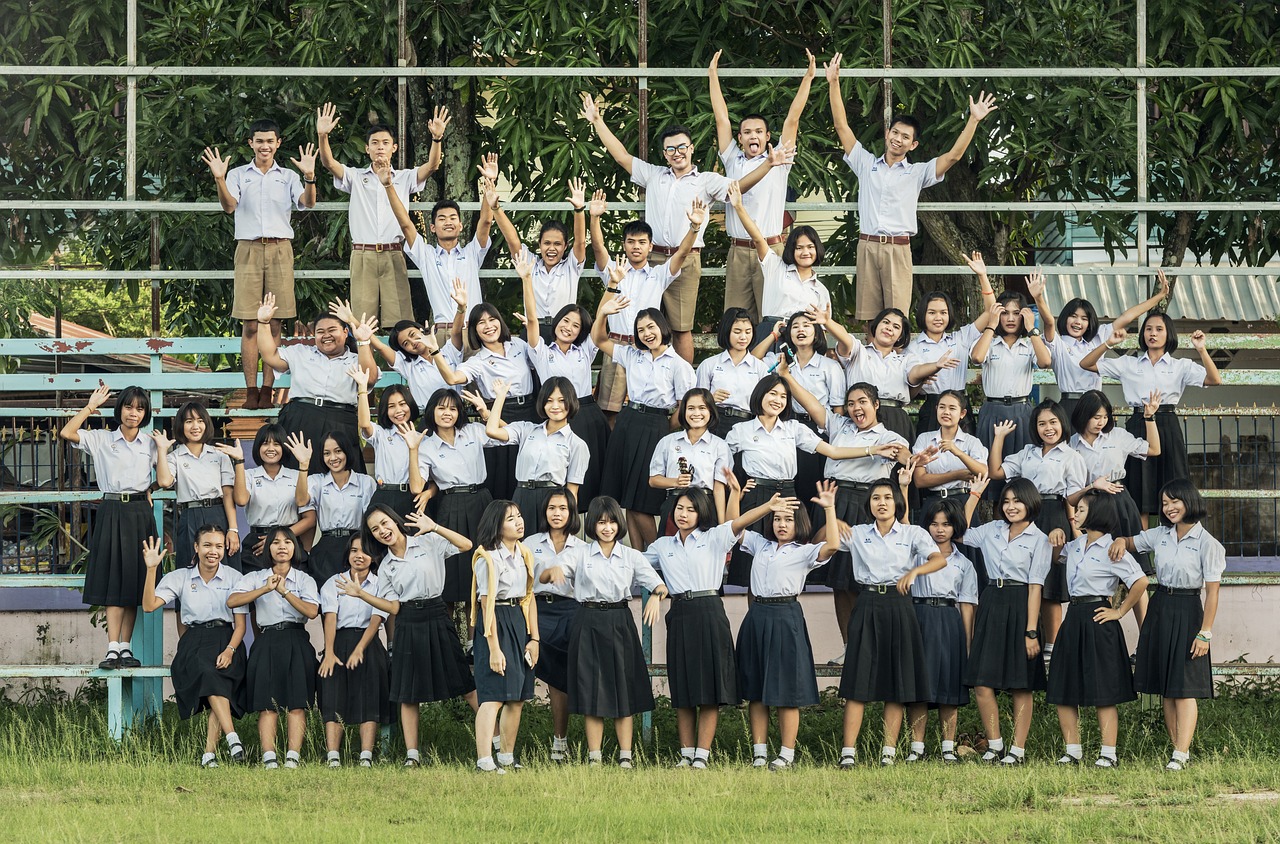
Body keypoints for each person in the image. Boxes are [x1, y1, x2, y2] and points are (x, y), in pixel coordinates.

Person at [579, 92, 793, 362]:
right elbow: (622, 156)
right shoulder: (654, 174)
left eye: (682, 147)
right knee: (641, 322)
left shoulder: (706, 180)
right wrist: (597, 121)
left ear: (691, 149)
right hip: (651, 259)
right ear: (664, 153)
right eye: (670, 149)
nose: (677, 153)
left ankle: (683, 391)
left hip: (687, 258)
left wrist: (769, 165)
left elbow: (739, 187)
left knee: (681, 329)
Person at [643, 481, 804, 768]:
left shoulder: (714, 537)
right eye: (679, 508)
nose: (684, 514)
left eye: (691, 509)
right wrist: (657, 590)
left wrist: (768, 507)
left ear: (701, 513)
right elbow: (636, 566)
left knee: (709, 688)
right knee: (682, 688)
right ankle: (685, 753)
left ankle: (701, 756)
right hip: (679, 612)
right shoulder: (662, 545)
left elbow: (739, 522)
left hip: (709, 611)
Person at [827, 53, 997, 318]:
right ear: (887, 134)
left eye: (905, 137)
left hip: (898, 248)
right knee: (869, 318)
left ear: (913, 144)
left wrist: (973, 120)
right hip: (868, 245)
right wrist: (834, 83)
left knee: (896, 318)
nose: (897, 139)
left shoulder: (918, 173)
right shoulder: (866, 163)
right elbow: (841, 126)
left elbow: (953, 156)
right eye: (894, 133)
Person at [779, 368, 911, 656]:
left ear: (876, 405)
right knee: (840, 582)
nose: (855, 408)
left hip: (867, 503)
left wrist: (910, 457)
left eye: (862, 402)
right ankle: (849, 647)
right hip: (835, 501)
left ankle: (874, 648)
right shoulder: (839, 426)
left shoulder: (889, 435)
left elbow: (905, 457)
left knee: (864, 579)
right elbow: (812, 404)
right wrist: (787, 377)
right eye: (850, 403)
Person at [339, 505, 477, 767]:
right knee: (407, 691)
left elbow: (466, 544)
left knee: (465, 684)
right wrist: (361, 594)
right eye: (375, 529)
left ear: (394, 519)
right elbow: (393, 607)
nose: (382, 531)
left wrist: (435, 526)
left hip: (437, 613)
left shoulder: (427, 539)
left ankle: (493, 741)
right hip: (407, 622)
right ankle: (412, 755)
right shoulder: (387, 565)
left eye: (384, 523)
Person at [539, 496, 669, 768]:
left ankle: (626, 756)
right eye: (601, 522)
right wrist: (551, 573)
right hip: (586, 621)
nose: (607, 528)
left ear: (619, 524)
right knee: (590, 689)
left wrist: (657, 596)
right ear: (592, 525)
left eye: (611, 522)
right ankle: (594, 757)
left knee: (623, 688)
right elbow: (547, 575)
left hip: (620, 621)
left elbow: (659, 585)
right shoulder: (580, 552)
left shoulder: (631, 556)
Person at [1109, 479, 1223, 771]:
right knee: (1167, 686)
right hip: (1160, 606)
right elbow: (1131, 541)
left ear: (1189, 502)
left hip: (1188, 611)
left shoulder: (1208, 544)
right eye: (1164, 503)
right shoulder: (1160, 534)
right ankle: (1176, 750)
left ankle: (1181, 754)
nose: (1169, 508)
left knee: (1183, 687)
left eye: (1175, 501)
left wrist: (1205, 633)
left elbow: (1212, 594)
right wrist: (1121, 541)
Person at [202, 122, 316, 408]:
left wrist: (311, 177)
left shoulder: (288, 175)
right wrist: (219, 179)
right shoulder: (239, 174)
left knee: (275, 322)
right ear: (250, 143)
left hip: (280, 248)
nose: (264, 146)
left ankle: (268, 389)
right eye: (259, 141)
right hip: (249, 248)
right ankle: (251, 389)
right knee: (250, 323)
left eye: (270, 141)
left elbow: (307, 203)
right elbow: (229, 206)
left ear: (278, 142)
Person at [835, 481, 948, 768]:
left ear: (897, 502)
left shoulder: (912, 533)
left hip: (900, 605)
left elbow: (938, 560)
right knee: (857, 678)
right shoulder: (858, 533)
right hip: (867, 603)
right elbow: (826, 539)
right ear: (869, 504)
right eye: (875, 498)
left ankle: (889, 752)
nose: (881, 503)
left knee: (897, 681)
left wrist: (916, 571)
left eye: (887, 497)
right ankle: (848, 752)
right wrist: (830, 515)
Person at [723, 374, 872, 588]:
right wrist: (737, 487)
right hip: (756, 497)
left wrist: (871, 450)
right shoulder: (741, 430)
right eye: (772, 393)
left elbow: (833, 451)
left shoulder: (793, 428)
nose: (778, 400)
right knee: (753, 567)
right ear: (760, 395)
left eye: (783, 396)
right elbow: (722, 465)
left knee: (790, 560)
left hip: (787, 497)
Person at [733, 475, 840, 769]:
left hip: (786, 616)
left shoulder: (804, 551)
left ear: (799, 523)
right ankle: (759, 753)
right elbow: (734, 525)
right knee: (756, 690)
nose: (781, 524)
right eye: (777, 518)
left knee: (785, 691)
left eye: (788, 520)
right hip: (757, 617)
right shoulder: (760, 545)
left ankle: (786, 754)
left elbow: (832, 545)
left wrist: (829, 509)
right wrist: (749, 499)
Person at [59, 385, 166, 670]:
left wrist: (151, 486)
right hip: (111, 509)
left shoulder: (151, 443)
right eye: (129, 407)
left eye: (140, 408)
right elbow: (66, 433)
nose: (134, 413)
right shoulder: (103, 439)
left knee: (133, 580)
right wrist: (91, 406)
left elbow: (167, 478)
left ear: (145, 414)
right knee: (113, 578)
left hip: (140, 512)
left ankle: (127, 647)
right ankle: (112, 648)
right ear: (119, 409)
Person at [315, 102, 451, 326]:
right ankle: (365, 363)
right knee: (361, 323)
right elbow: (329, 163)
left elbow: (432, 165)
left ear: (394, 148)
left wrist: (436, 139)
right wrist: (323, 136)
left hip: (393, 253)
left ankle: (396, 362)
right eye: (375, 143)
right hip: (362, 254)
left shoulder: (404, 177)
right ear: (366, 149)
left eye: (385, 143)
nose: (380, 147)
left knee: (400, 323)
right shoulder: (356, 177)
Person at [710, 49, 816, 325]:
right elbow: (721, 118)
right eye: (747, 132)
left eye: (759, 131)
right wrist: (712, 75)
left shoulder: (779, 158)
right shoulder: (732, 158)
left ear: (767, 136)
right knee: (735, 320)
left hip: (771, 249)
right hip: (738, 251)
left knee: (771, 318)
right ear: (740, 138)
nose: (753, 135)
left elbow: (792, 120)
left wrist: (808, 77)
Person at [1079, 313, 1222, 515]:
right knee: (1138, 489)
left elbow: (1214, 380)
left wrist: (1201, 349)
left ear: (1168, 334)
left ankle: (1171, 540)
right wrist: (1108, 344)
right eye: (1148, 329)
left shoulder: (1180, 365)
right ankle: (1140, 543)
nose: (1152, 333)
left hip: (1167, 423)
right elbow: (1086, 364)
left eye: (1158, 329)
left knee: (1174, 484)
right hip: (1138, 423)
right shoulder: (1128, 363)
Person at [1048, 491, 1149, 768]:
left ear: (1096, 514)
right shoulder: (1076, 545)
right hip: (1073, 617)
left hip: (1099, 618)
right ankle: (1072, 750)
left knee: (1103, 690)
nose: (1075, 514)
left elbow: (1140, 582)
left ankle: (1108, 753)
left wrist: (1120, 610)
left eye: (1080, 510)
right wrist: (1057, 536)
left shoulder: (1112, 549)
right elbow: (1057, 557)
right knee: (1064, 687)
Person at [592, 293, 697, 554]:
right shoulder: (632, 355)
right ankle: (638, 560)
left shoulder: (679, 365)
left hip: (656, 426)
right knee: (627, 499)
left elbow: (685, 405)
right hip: (628, 422)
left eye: (651, 327)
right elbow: (599, 339)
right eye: (640, 330)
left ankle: (661, 555)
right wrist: (604, 313)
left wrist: (666, 427)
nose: (647, 333)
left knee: (641, 501)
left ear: (662, 327)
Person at [960, 476, 1051, 765]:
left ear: (1031, 502)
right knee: (981, 681)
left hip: (1021, 605)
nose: (1011, 507)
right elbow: (959, 530)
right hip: (991, 601)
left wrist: (1032, 631)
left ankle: (1018, 750)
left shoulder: (1040, 539)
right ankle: (995, 744)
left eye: (1017, 501)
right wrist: (974, 494)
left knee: (1020, 684)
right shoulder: (991, 530)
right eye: (1007, 501)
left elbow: (1036, 586)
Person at [140, 527, 247, 768]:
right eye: (207, 545)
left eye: (219, 546)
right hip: (193, 641)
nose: (213, 551)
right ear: (196, 548)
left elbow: (241, 626)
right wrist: (151, 569)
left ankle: (209, 754)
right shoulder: (180, 577)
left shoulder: (235, 578)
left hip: (227, 640)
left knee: (218, 682)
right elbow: (148, 606)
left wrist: (230, 650)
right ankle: (232, 738)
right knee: (211, 675)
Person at [587, 195, 699, 419]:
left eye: (641, 242)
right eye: (630, 241)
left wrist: (695, 227)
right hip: (617, 346)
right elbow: (598, 248)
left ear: (650, 246)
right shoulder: (614, 271)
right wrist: (594, 218)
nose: (636, 247)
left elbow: (682, 253)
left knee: (650, 408)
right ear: (624, 244)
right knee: (610, 411)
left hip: (648, 348)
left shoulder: (659, 275)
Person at [987, 400, 1087, 647]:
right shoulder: (1026, 453)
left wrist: (1074, 529)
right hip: (1025, 513)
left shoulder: (1072, 456)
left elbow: (1073, 498)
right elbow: (996, 472)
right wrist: (999, 437)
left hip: (1054, 515)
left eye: (1053, 422)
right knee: (1025, 579)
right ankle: (1025, 639)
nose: (1048, 428)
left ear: (1062, 423)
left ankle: (1052, 647)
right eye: (1042, 423)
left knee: (1050, 585)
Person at [515, 250, 607, 508]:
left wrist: (612, 287)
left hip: (588, 415)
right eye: (565, 321)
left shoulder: (585, 350)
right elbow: (532, 319)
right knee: (561, 483)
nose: (568, 327)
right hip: (556, 415)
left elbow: (601, 316)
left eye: (576, 325)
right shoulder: (542, 352)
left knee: (589, 481)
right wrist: (526, 279)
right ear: (556, 322)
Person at [429, 290, 537, 503]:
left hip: (530, 410)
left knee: (531, 472)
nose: (488, 326)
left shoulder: (518, 345)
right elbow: (452, 378)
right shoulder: (478, 360)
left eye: (492, 319)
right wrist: (434, 351)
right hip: (498, 413)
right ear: (474, 331)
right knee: (506, 477)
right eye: (481, 323)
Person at [227, 527, 321, 769]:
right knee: (268, 704)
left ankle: (292, 757)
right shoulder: (255, 578)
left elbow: (311, 611)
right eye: (275, 542)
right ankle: (269, 757)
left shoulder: (304, 579)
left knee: (297, 702)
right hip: (266, 640)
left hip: (296, 638)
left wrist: (285, 591)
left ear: (295, 548)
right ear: (267, 548)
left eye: (287, 542)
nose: (282, 546)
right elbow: (232, 600)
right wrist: (266, 589)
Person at [255, 294, 378, 474]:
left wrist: (364, 342)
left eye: (332, 330)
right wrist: (264, 323)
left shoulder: (356, 359)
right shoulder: (300, 352)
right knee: (295, 472)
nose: (326, 335)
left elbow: (370, 378)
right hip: (301, 416)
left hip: (341, 419)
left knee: (341, 473)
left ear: (345, 332)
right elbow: (269, 356)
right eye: (320, 332)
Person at [377, 159, 496, 341]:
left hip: (472, 330)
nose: (448, 222)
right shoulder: (426, 255)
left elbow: (486, 222)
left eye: (452, 218)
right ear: (432, 227)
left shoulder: (471, 253)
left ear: (460, 225)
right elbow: (405, 224)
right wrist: (388, 186)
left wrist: (489, 185)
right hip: (442, 333)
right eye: (442, 218)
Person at [1070, 388, 1163, 616]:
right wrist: (1093, 486)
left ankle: (1144, 642)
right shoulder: (1071, 444)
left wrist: (1149, 418)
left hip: (1119, 501)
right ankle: (1105, 630)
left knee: (1134, 570)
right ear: (1083, 416)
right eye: (1095, 417)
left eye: (1104, 417)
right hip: (1090, 505)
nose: (1101, 422)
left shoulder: (1118, 436)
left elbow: (1154, 449)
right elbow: (1071, 490)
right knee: (1100, 568)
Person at [1031, 269, 1170, 420]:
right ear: (1065, 318)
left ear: (1089, 323)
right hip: (1069, 403)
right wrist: (1038, 298)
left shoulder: (1098, 338)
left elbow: (1128, 316)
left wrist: (1159, 296)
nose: (1078, 322)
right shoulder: (1058, 342)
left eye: (1084, 318)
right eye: (1073, 316)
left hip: (1095, 404)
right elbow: (1049, 322)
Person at [904, 499, 978, 763]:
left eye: (946, 524)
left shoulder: (964, 564)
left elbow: (967, 606)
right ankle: (917, 747)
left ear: (955, 527)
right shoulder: (916, 556)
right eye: (934, 524)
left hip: (949, 620)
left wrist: (967, 644)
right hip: (918, 617)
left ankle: (948, 747)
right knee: (919, 686)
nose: (939, 530)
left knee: (949, 686)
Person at [469, 500, 539, 773]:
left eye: (519, 516)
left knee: (517, 697)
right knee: (493, 696)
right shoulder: (486, 556)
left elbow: (529, 597)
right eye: (511, 519)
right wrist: (494, 649)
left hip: (518, 621)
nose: (519, 521)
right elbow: (485, 605)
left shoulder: (523, 553)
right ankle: (484, 760)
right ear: (497, 526)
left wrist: (534, 638)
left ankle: (507, 757)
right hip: (494, 623)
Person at [752, 308, 845, 507]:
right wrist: (774, 335)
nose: (800, 330)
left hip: (818, 430)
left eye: (806, 326)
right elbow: (753, 360)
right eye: (795, 327)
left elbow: (838, 409)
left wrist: (835, 438)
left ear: (817, 333)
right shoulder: (779, 360)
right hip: (785, 427)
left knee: (814, 488)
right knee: (789, 484)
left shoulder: (829, 366)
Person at [415, 387, 499, 604]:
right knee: (452, 568)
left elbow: (509, 435)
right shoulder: (426, 446)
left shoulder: (474, 431)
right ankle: (454, 634)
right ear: (432, 411)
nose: (447, 413)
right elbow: (416, 487)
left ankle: (477, 632)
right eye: (441, 408)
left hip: (481, 499)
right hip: (451, 503)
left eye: (453, 408)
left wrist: (485, 412)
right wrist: (412, 450)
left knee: (485, 559)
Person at [318, 534, 391, 768]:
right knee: (332, 696)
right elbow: (330, 617)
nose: (359, 556)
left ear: (374, 556)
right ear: (347, 554)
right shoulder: (334, 582)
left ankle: (366, 756)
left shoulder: (382, 583)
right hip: (338, 641)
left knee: (369, 697)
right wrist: (329, 651)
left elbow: (376, 619)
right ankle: (333, 756)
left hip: (369, 642)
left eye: (365, 551)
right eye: (354, 551)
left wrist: (360, 648)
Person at [969, 290, 1053, 496]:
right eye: (1005, 313)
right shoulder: (989, 341)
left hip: (1022, 411)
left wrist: (1032, 328)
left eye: (1016, 313)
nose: (1010, 318)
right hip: (993, 411)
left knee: (1021, 475)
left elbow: (1045, 362)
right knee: (992, 475)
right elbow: (977, 358)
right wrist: (991, 323)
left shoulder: (1030, 342)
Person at [824, 305, 948, 444]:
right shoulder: (859, 352)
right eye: (886, 322)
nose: (889, 328)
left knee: (898, 463)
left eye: (896, 326)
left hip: (895, 418)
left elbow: (915, 373)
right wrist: (827, 322)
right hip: (860, 415)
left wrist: (935, 366)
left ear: (900, 335)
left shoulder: (906, 359)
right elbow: (845, 339)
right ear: (876, 325)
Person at [525, 487, 585, 763]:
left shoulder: (583, 548)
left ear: (571, 512)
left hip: (571, 611)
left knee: (561, 678)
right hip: (537, 610)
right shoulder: (529, 543)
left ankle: (560, 741)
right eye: (552, 508)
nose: (557, 513)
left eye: (562, 508)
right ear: (544, 512)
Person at [907, 252, 998, 432]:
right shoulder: (913, 346)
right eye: (932, 312)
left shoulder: (960, 338)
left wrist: (982, 276)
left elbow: (991, 312)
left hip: (960, 406)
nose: (938, 317)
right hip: (932, 406)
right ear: (922, 315)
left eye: (943, 312)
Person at [494, 177, 588, 344]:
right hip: (533, 328)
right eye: (547, 243)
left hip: (563, 332)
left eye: (557, 244)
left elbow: (580, 241)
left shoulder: (571, 267)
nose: (551, 249)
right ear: (540, 244)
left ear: (565, 246)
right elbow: (512, 239)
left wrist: (579, 210)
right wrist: (496, 208)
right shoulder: (529, 263)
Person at [287, 430, 376, 586]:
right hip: (326, 547)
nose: (333, 458)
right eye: (327, 453)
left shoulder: (366, 482)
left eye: (338, 451)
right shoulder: (317, 481)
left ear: (347, 451)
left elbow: (372, 520)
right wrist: (304, 465)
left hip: (356, 545)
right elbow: (301, 501)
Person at [162, 401, 240, 570]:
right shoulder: (175, 457)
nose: (195, 426)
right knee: (190, 567)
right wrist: (162, 451)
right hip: (190, 515)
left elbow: (228, 494)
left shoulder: (219, 455)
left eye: (200, 420)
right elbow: (165, 481)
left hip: (218, 513)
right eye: (189, 421)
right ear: (181, 425)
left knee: (224, 567)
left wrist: (233, 529)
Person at [230, 424, 316, 572]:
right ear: (258, 447)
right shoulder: (249, 475)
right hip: (257, 544)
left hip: (289, 540)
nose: (271, 448)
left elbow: (310, 518)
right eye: (265, 443)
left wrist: (277, 538)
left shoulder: (297, 476)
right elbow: (241, 500)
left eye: (276, 444)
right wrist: (239, 461)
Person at [648, 388, 732, 534]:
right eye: (691, 408)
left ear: (711, 411)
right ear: (683, 411)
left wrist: (722, 525)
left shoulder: (720, 445)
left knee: (704, 554)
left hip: (705, 504)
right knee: (671, 552)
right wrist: (675, 482)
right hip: (675, 504)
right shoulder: (668, 442)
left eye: (702, 408)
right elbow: (653, 480)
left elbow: (719, 488)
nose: (696, 413)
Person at [348, 364, 424, 518]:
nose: (398, 411)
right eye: (391, 406)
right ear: (385, 410)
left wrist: (429, 492)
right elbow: (364, 424)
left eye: (402, 404)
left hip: (411, 498)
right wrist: (362, 390)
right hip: (384, 495)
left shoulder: (423, 439)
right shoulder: (381, 434)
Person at [911, 390, 989, 532]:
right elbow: (920, 480)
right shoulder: (924, 439)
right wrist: (956, 475)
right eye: (942, 407)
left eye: (952, 408)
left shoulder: (971, 442)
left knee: (964, 550)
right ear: (936, 410)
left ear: (962, 413)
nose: (946, 412)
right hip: (934, 503)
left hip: (963, 503)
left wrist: (958, 452)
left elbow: (983, 472)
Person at [696, 307, 769, 438]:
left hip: (747, 424)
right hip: (715, 422)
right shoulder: (709, 364)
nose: (743, 337)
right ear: (726, 331)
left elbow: (765, 405)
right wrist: (710, 399)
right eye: (737, 331)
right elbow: (696, 403)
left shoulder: (760, 368)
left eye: (748, 332)